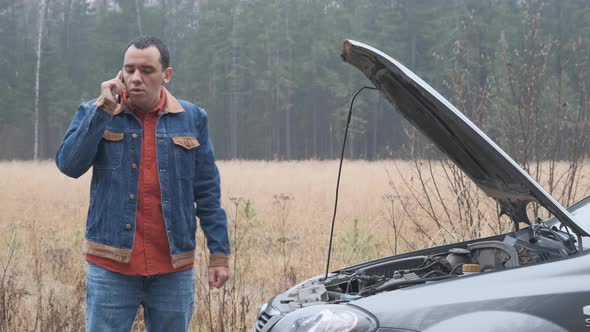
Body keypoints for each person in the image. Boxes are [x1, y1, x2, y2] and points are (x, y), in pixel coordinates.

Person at [55, 36, 230, 332]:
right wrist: (102, 110)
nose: (136, 78)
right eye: (129, 69)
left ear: (166, 75)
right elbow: (69, 165)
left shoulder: (192, 118)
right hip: (111, 265)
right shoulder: (95, 112)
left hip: (173, 268)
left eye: (147, 70)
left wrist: (219, 255)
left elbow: (207, 192)